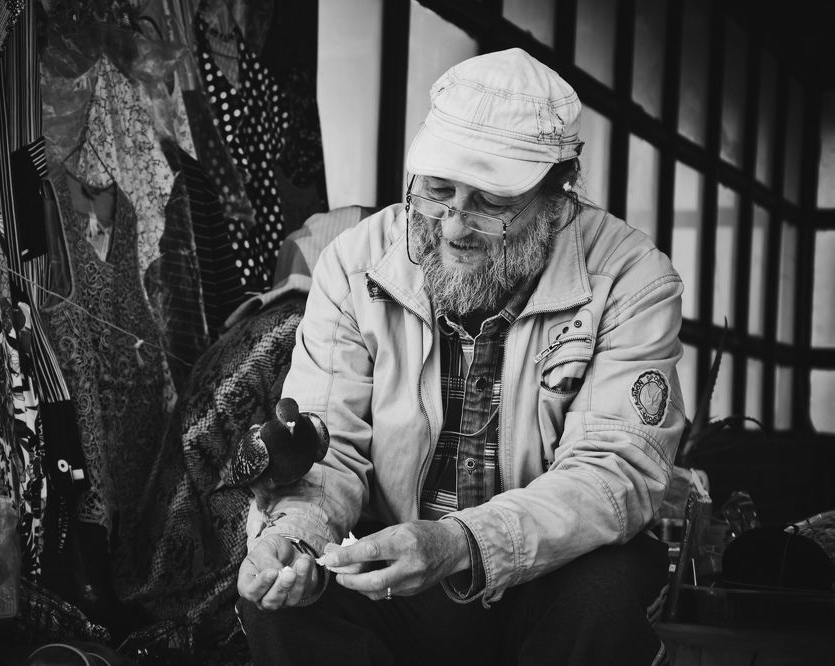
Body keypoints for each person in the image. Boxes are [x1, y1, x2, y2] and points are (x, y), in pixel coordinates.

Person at [234, 48, 685, 665]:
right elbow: (325, 446)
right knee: (279, 604)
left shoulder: (631, 279)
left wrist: (460, 542)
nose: (452, 227)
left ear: (559, 194)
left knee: (600, 594)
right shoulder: (354, 263)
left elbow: (612, 473)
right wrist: (297, 537)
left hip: (545, 573)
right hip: (400, 568)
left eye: (491, 203)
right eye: (437, 191)